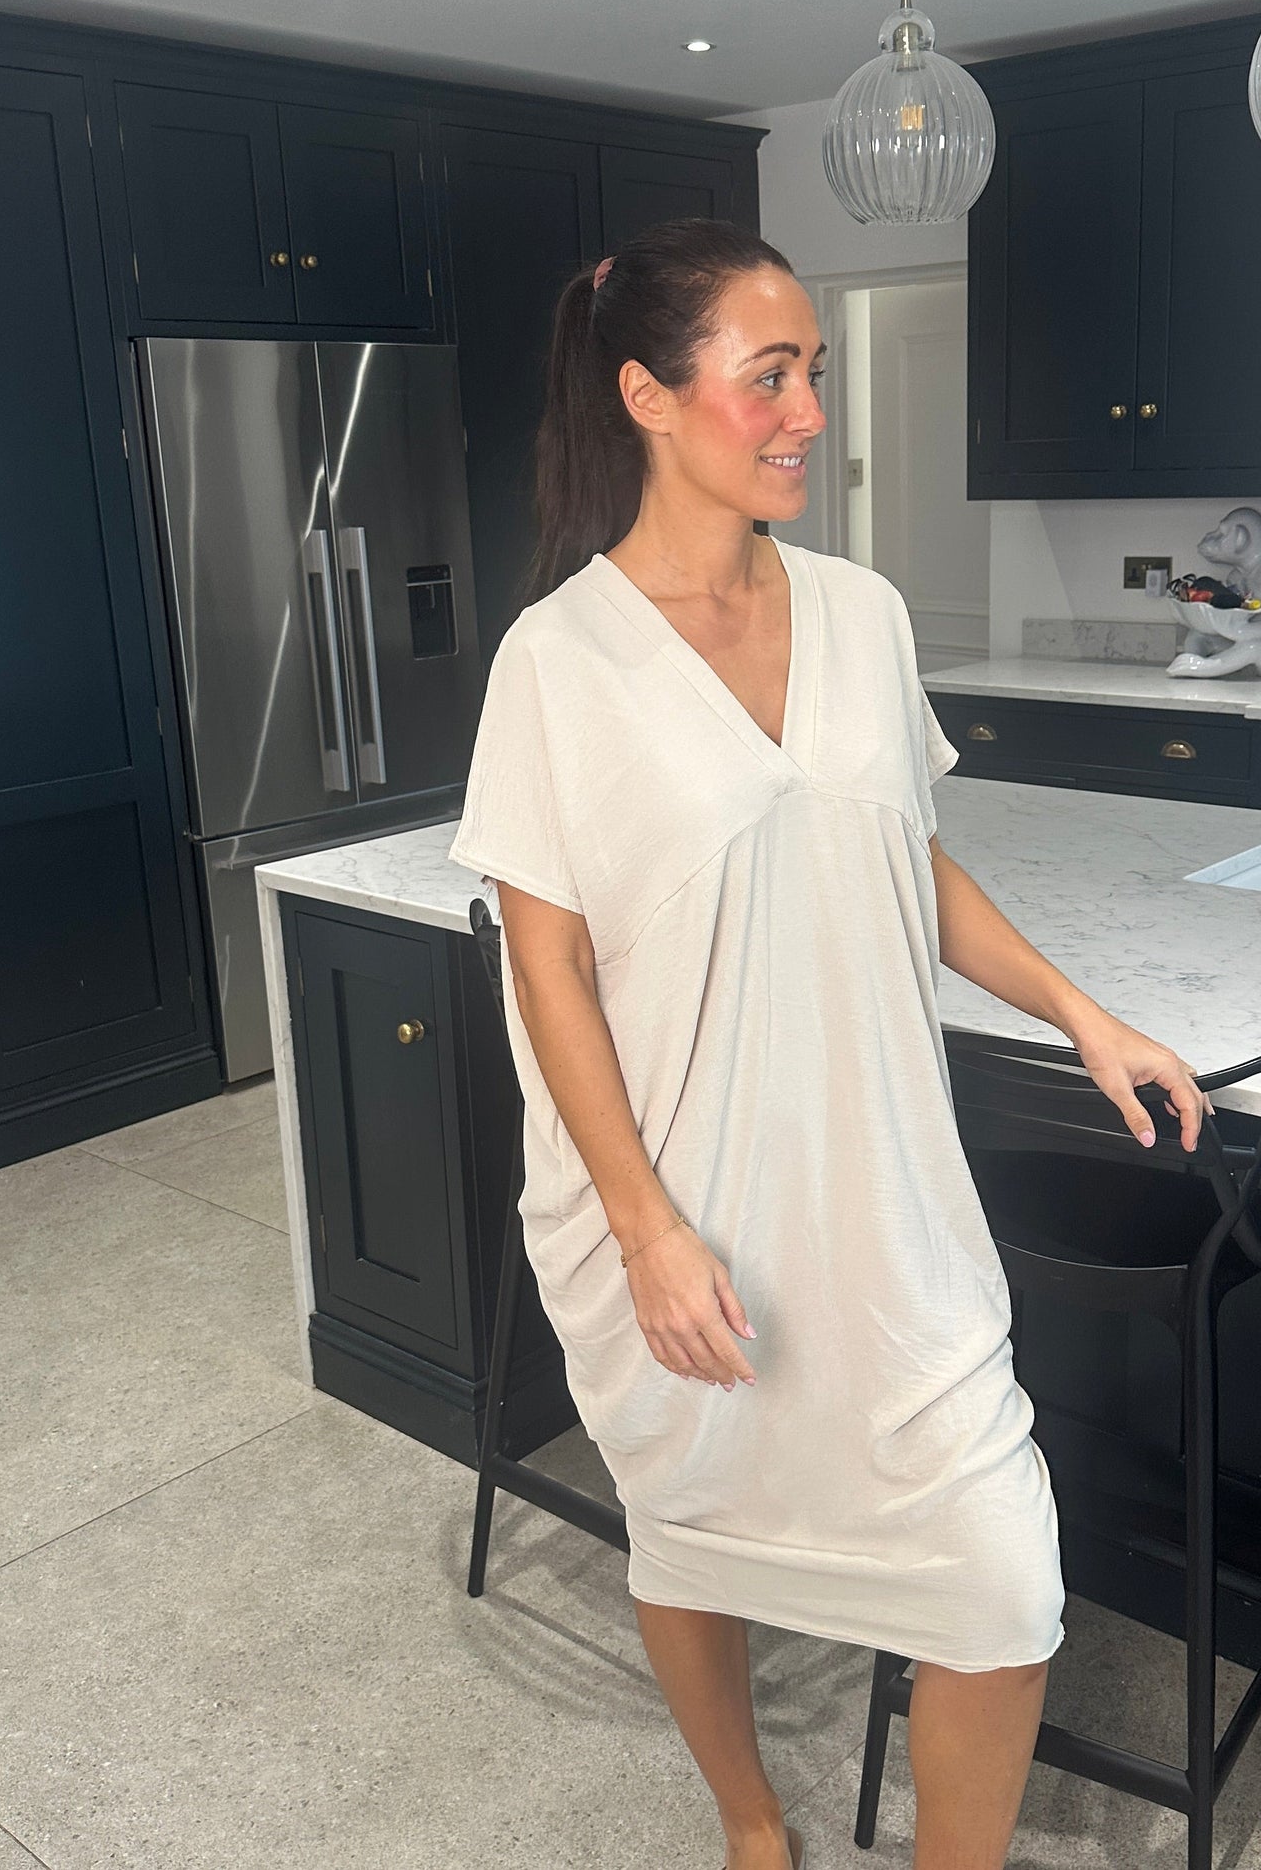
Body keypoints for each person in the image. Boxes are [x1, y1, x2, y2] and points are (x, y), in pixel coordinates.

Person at [446, 216, 1207, 1870]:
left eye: (814, 373)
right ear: (648, 394)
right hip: (676, 1207)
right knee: (690, 1530)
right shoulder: (556, 660)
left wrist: (1079, 1012)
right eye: (770, 373)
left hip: (882, 1204)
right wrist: (645, 1230)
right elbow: (546, 965)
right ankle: (752, 1823)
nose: (808, 412)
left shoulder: (861, 612)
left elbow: (901, 857)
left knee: (999, 1585)